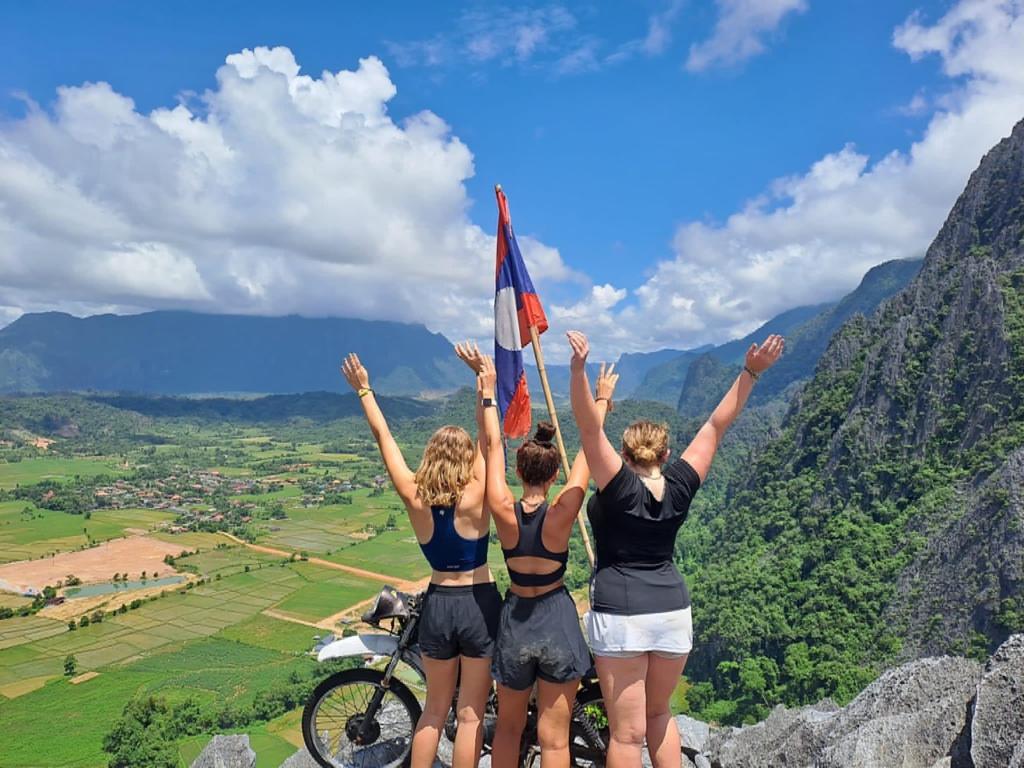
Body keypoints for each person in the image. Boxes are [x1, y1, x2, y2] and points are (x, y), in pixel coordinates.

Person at [566, 330, 784, 768]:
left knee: (626, 737)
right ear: (665, 453)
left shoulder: (618, 486)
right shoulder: (682, 484)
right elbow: (716, 426)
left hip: (620, 614)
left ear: (625, 456)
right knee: (660, 716)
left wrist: (578, 369)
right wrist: (751, 373)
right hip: (671, 613)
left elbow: (588, 426)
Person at [455, 342, 619, 768]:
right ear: (553, 475)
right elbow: (589, 448)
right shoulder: (563, 511)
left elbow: (492, 445)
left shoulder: (502, 507)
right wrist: (600, 399)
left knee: (508, 730)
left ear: (519, 472)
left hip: (516, 621)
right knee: (554, 739)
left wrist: (487, 390)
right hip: (556, 619)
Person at [341, 353, 500, 768]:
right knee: (470, 716)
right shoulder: (477, 493)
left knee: (433, 710)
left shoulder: (414, 495)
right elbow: (490, 441)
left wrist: (364, 389)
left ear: (430, 456)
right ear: (465, 459)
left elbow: (384, 438)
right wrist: (484, 386)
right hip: (479, 603)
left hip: (438, 605)